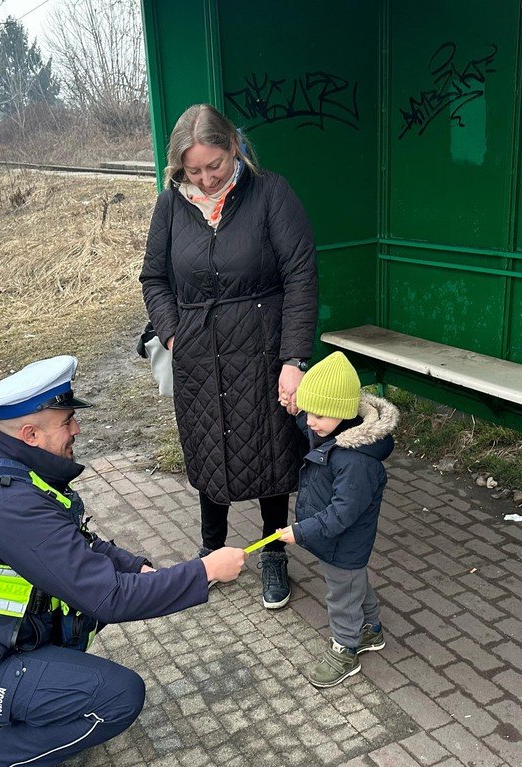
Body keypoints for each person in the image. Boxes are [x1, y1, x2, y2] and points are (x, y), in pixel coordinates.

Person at [0, 355, 247, 767]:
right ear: (31, 435)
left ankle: (27, 705)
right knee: (118, 696)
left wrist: (135, 567)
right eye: (67, 422)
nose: (76, 429)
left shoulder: (2, 469)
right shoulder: (9, 506)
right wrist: (204, 572)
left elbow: (74, 542)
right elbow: (110, 598)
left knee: (78, 619)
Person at [140, 103, 318, 611]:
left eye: (213, 165)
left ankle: (273, 552)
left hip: (262, 351)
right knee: (208, 446)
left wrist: (292, 359)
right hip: (197, 355)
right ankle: (211, 550)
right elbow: (154, 278)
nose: (206, 178)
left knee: (270, 451)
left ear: (233, 148)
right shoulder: (170, 204)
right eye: (193, 171)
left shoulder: (270, 193)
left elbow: (301, 278)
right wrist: (173, 336)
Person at [278, 352, 399, 688]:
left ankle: (345, 649)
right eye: (309, 411)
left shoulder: (357, 462)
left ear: (343, 413)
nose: (311, 422)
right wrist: (298, 410)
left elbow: (342, 513)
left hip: (343, 541)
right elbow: (311, 423)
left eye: (318, 415)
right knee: (352, 584)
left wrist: (301, 532)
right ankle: (371, 629)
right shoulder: (332, 431)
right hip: (335, 541)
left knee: (342, 596)